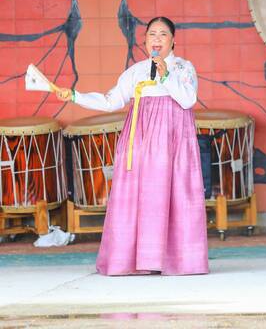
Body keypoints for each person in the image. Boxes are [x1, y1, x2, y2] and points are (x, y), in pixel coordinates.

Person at [56, 16, 209, 276]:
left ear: (173, 40)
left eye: (163, 34)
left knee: (173, 193)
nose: (157, 39)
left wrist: (166, 75)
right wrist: (74, 96)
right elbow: (111, 101)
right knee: (141, 194)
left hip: (173, 139)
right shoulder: (136, 71)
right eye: (152, 34)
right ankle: (138, 260)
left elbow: (188, 100)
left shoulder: (184, 67)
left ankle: (177, 260)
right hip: (139, 138)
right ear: (145, 39)